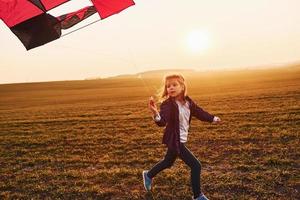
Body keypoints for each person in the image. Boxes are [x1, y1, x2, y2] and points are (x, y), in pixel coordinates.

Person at [142, 74, 221, 200]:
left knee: (168, 162)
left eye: (174, 85)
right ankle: (198, 196)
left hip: (181, 139)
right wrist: (156, 113)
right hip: (174, 140)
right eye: (168, 86)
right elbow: (162, 121)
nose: (171, 88)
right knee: (196, 166)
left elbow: (199, 112)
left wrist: (212, 118)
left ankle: (148, 175)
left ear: (182, 86)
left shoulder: (188, 102)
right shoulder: (168, 105)